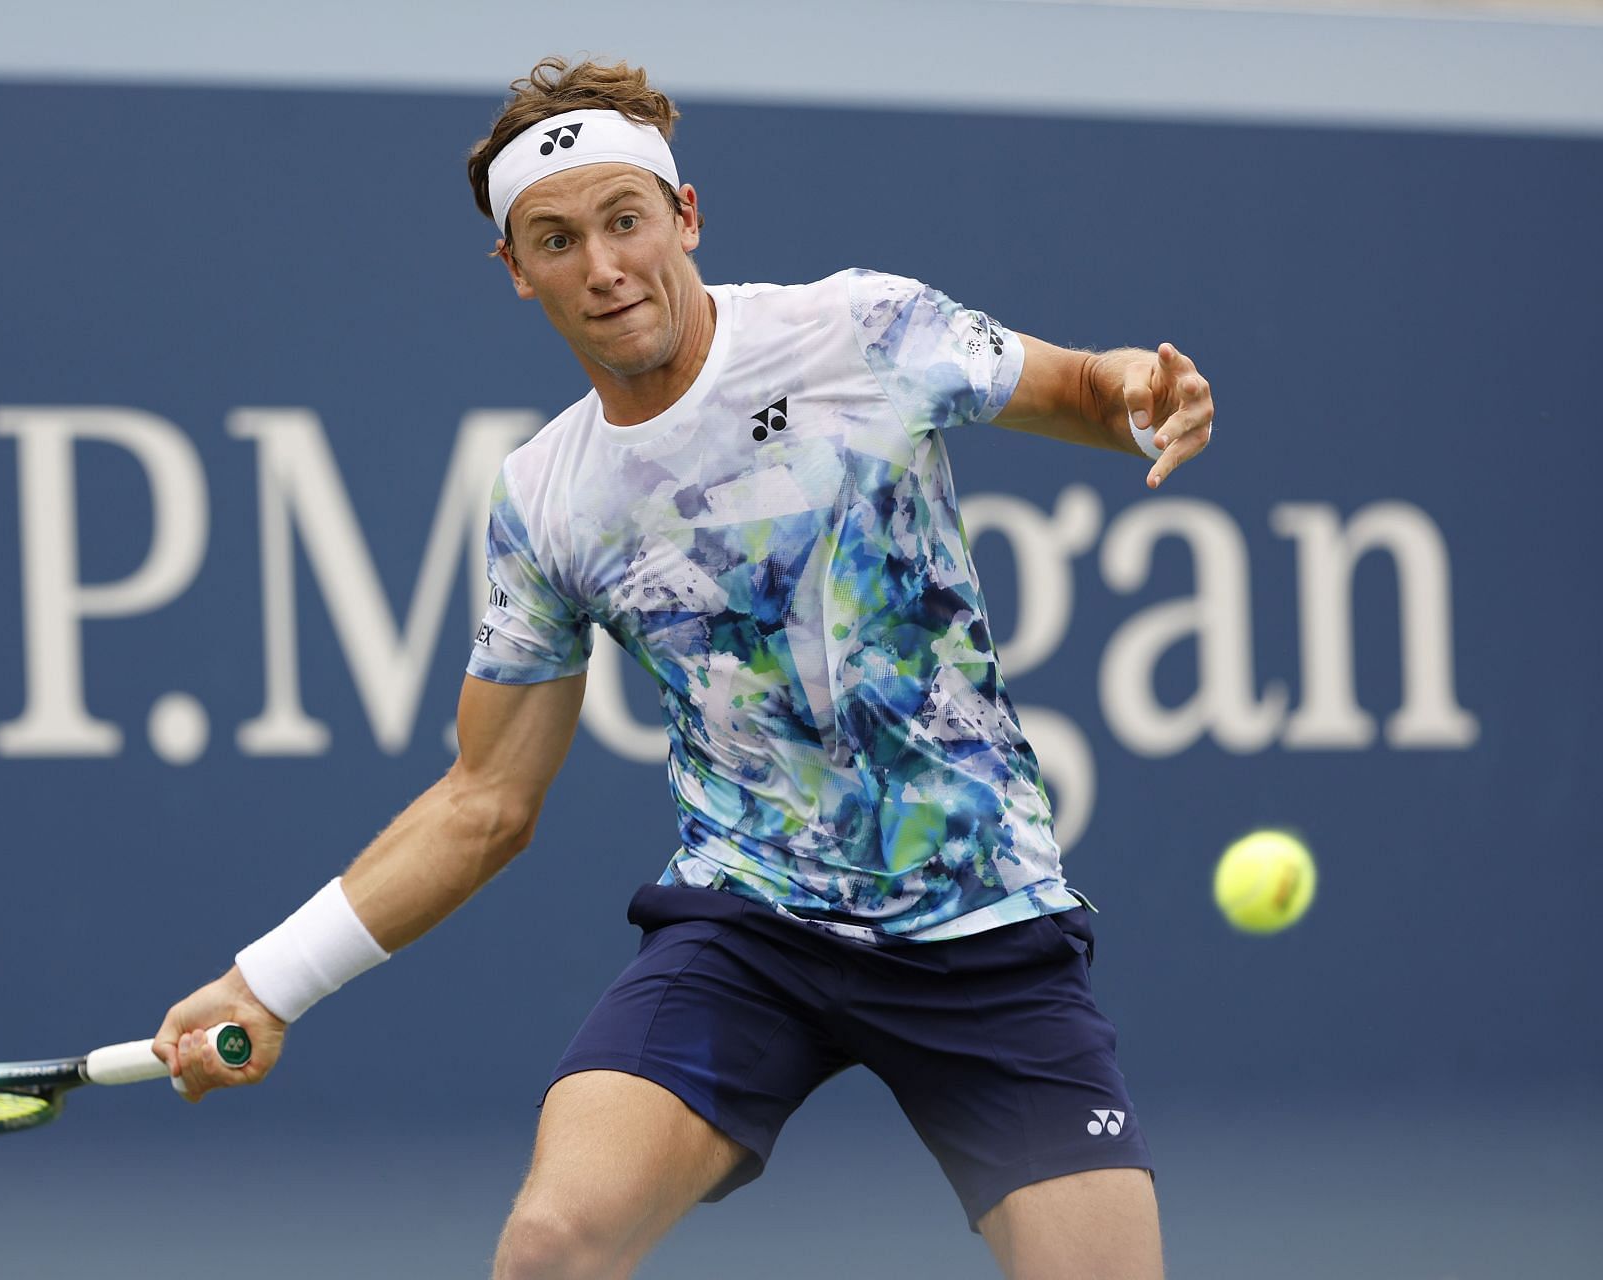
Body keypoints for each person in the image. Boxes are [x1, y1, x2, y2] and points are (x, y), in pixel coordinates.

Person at [152, 56, 1213, 1280]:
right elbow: (484, 803)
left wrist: (1150, 391)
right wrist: (267, 982)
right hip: (749, 927)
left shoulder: (862, 329)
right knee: (554, 1241)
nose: (603, 269)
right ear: (515, 269)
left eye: (626, 221)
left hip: (984, 918)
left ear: (685, 216)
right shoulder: (545, 500)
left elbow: (1089, 389)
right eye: (556, 239)